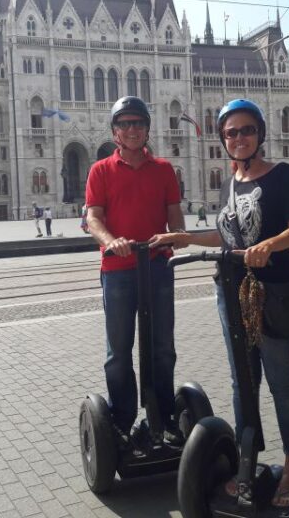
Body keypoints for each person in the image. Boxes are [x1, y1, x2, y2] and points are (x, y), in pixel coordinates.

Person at [150, 98, 289, 509]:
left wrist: (267, 246)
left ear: (259, 133)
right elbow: (228, 236)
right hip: (230, 291)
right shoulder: (230, 182)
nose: (238, 138)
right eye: (231, 133)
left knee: (279, 380)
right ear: (224, 139)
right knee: (242, 381)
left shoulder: (282, 176)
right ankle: (247, 462)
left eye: (246, 130)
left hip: (271, 291)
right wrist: (184, 239)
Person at [85, 95, 186, 449]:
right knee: (119, 351)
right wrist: (112, 241)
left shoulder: (163, 170)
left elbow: (176, 221)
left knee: (162, 349)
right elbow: (93, 218)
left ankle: (164, 416)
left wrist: (173, 237)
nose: (132, 130)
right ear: (115, 131)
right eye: (124, 124)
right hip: (118, 271)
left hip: (156, 268)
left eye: (138, 123)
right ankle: (123, 419)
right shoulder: (100, 170)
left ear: (146, 129)